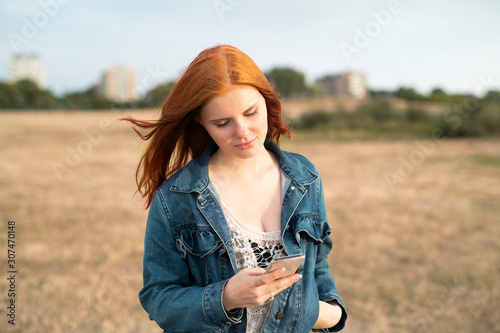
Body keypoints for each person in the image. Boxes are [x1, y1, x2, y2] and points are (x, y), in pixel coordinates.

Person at [124, 44, 347, 332]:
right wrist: (226, 297)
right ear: (200, 121)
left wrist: (331, 315)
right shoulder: (176, 198)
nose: (242, 132)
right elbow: (158, 299)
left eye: (251, 113)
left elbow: (317, 268)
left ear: (267, 101)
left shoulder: (305, 177)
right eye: (222, 122)